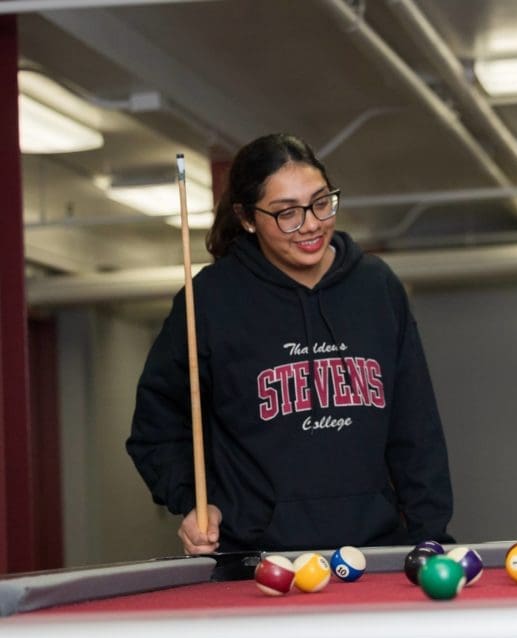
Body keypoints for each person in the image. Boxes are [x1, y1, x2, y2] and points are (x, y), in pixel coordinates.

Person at [127, 133, 454, 555]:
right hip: (256, 559)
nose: (311, 224)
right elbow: (155, 429)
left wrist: (431, 537)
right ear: (247, 218)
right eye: (287, 214)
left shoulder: (377, 287)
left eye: (321, 202)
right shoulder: (209, 300)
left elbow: (416, 427)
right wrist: (192, 502)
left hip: (373, 553)